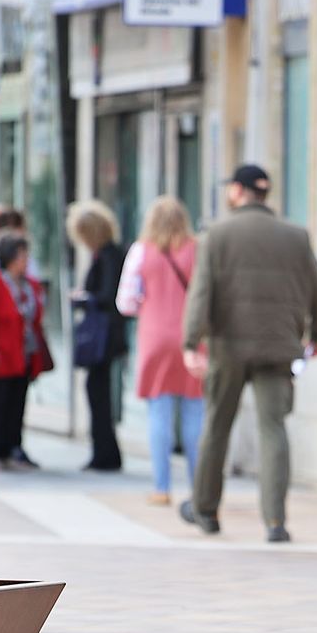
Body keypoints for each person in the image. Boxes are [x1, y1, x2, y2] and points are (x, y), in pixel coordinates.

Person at [180, 165, 317, 542]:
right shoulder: (295, 237)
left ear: (237, 191)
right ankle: (275, 521)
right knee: (273, 429)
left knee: (217, 426)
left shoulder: (216, 235)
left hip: (227, 347)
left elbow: (201, 293)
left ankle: (205, 510)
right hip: (278, 346)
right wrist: (316, 335)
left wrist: (191, 342)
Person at [118, 197, 206, 505]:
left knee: (159, 413)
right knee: (195, 414)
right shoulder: (198, 250)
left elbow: (125, 302)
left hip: (155, 338)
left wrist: (149, 303)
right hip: (193, 339)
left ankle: (162, 487)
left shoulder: (141, 251)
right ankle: (200, 489)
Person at [0, 231, 53, 470]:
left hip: (23, 354)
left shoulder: (31, 285)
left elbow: (36, 317)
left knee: (17, 404)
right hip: (1, 354)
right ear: (9, 257)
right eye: (21, 256)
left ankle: (12, 448)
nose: (26, 260)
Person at [67, 200, 128, 473]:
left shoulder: (107, 256)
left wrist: (83, 299)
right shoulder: (108, 254)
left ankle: (104, 455)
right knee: (98, 392)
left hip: (105, 336)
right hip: (107, 334)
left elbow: (107, 297)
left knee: (97, 393)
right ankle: (105, 453)